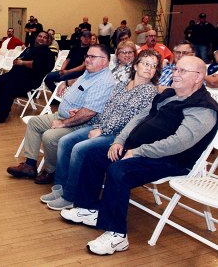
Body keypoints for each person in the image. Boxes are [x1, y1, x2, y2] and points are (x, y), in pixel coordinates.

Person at [61, 56, 218, 255]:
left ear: (198, 78)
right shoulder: (170, 94)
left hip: (171, 160)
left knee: (119, 171)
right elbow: (139, 117)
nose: (175, 74)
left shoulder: (203, 108)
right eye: (176, 69)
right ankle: (89, 208)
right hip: (138, 150)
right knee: (94, 155)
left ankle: (117, 235)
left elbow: (179, 143)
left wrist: (137, 151)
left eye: (182, 71)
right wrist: (120, 140)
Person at [41, 50, 160, 210]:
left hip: (119, 136)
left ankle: (70, 196)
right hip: (102, 126)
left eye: (153, 65)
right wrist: (86, 115)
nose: (149, 68)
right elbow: (107, 107)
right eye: (146, 63)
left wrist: (101, 131)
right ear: (136, 65)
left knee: (79, 149)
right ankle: (61, 187)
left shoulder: (150, 91)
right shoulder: (123, 85)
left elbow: (129, 119)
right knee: (65, 141)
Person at [6, 45, 116, 184]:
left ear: (105, 61)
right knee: (34, 123)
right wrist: (65, 82)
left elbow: (89, 113)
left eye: (92, 57)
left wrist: (63, 123)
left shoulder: (104, 81)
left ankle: (51, 171)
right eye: (87, 56)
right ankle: (30, 165)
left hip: (79, 124)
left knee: (50, 137)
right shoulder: (90, 72)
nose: (87, 59)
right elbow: (78, 85)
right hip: (63, 116)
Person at [0, 31, 55, 124]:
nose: (41, 38)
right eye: (40, 36)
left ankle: (2, 116)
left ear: (48, 41)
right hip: (15, 75)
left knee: (8, 86)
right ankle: (3, 107)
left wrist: (22, 63)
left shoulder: (48, 54)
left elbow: (38, 65)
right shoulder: (29, 49)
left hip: (30, 79)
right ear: (36, 38)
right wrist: (16, 60)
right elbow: (20, 57)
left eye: (44, 37)